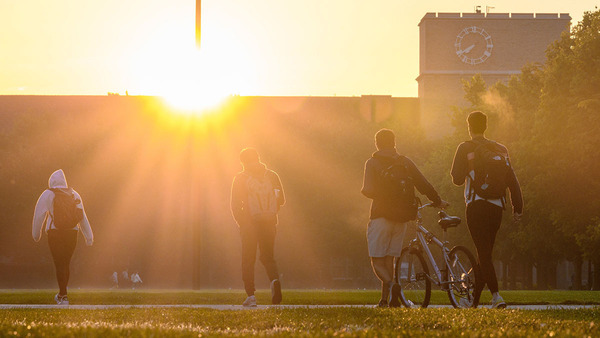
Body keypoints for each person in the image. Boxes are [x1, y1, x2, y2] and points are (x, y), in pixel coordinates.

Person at [362, 129, 448, 307]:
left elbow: (368, 190)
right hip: (402, 218)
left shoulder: (372, 163)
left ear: (377, 144)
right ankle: (385, 300)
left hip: (380, 217)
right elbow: (423, 184)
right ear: (394, 143)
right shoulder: (405, 162)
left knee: (377, 261)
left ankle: (394, 286)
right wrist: (437, 201)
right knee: (389, 261)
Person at [451, 111, 523, 308]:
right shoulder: (500, 148)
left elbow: (456, 179)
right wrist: (518, 207)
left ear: (469, 126)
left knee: (483, 253)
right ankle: (472, 300)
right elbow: (512, 180)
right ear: (485, 126)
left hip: (475, 205)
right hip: (497, 208)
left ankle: (496, 296)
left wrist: (470, 168)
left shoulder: (465, 147)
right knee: (486, 254)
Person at [230, 148, 285, 307]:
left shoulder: (240, 178)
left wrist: (242, 223)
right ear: (258, 158)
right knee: (268, 257)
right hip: (269, 223)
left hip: (249, 225)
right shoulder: (272, 175)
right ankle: (274, 281)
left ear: (243, 162)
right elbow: (281, 200)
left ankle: (251, 296)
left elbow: (235, 205)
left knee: (248, 258)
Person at [32, 169, 93, 305]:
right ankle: (62, 294)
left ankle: (63, 296)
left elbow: (39, 215)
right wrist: (89, 237)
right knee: (65, 263)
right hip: (72, 233)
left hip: (55, 232)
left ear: (51, 181)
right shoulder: (74, 194)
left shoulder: (48, 194)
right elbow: (82, 216)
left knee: (59, 263)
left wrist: (36, 234)